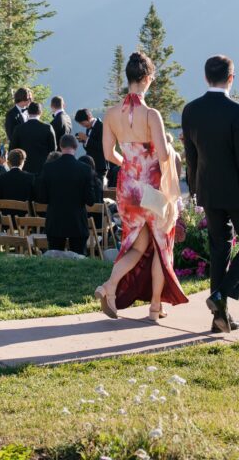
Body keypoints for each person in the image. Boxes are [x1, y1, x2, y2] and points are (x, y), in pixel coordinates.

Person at [96, 51, 186, 322]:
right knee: (161, 245)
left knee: (136, 244)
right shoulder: (151, 114)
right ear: (147, 79)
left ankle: (109, 287)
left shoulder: (111, 114)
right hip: (152, 189)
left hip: (127, 188)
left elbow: (108, 154)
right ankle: (155, 307)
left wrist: (129, 163)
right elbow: (163, 156)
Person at [182, 54, 239, 333]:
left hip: (208, 188)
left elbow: (190, 156)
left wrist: (193, 188)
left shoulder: (190, 110)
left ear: (206, 77)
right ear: (231, 78)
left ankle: (219, 319)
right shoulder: (237, 111)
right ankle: (220, 296)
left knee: (220, 248)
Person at [35, 135, 95, 253]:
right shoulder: (85, 169)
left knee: (55, 261)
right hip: (77, 222)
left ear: (60, 146)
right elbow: (90, 200)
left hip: (55, 221)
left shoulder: (48, 168)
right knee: (78, 260)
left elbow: (42, 198)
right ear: (76, 147)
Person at [10, 102, 56, 176]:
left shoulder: (18, 129)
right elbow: (53, 150)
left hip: (24, 169)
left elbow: (12, 149)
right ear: (40, 112)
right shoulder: (47, 128)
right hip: (42, 169)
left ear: (28, 112)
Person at [75, 108, 108, 181]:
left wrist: (87, 139)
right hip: (91, 165)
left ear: (89, 117)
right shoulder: (88, 128)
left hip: (100, 166)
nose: (83, 126)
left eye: (83, 123)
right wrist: (84, 141)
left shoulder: (101, 126)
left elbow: (102, 147)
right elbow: (90, 147)